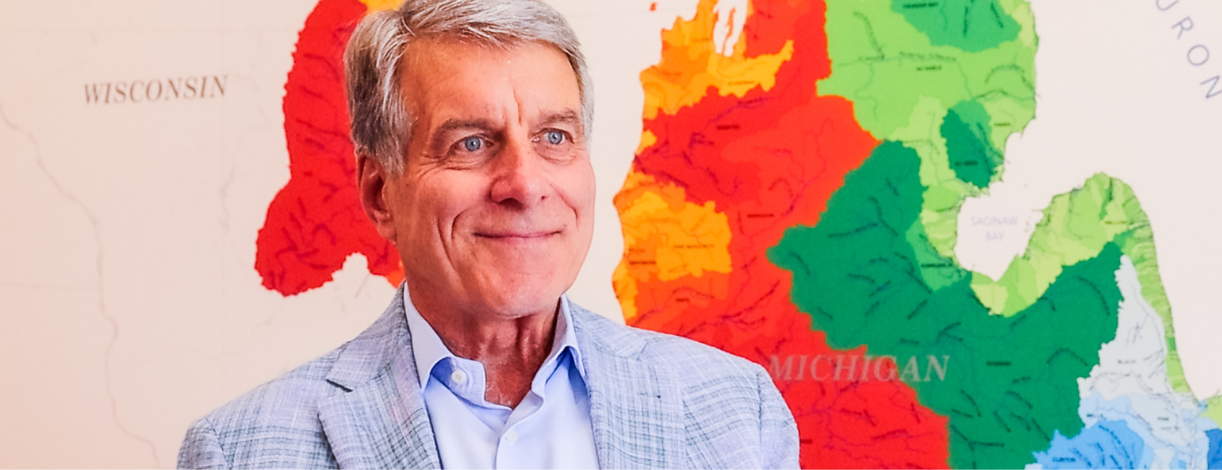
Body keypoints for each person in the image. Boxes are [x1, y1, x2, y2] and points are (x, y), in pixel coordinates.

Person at [177, 0, 799, 468]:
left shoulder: (739, 415)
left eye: (554, 137)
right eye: (471, 142)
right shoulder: (240, 452)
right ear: (380, 193)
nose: (524, 184)